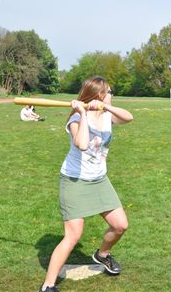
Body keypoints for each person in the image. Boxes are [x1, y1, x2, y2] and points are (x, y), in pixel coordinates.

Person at [39, 76, 133, 292]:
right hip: (74, 181)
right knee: (73, 235)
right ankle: (48, 286)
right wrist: (82, 113)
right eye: (109, 92)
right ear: (99, 94)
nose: (111, 95)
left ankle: (102, 255)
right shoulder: (75, 119)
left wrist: (106, 107)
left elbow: (129, 117)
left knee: (120, 225)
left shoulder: (108, 114)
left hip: (99, 180)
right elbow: (81, 144)